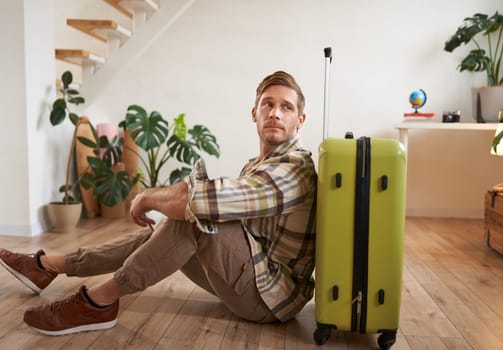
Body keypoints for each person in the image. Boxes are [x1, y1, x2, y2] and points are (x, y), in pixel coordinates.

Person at [0, 71, 317, 336]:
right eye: (268, 104)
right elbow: (205, 201)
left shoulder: (293, 171)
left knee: (194, 222)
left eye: (286, 107)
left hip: (270, 299)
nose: (276, 112)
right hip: (254, 277)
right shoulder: (260, 164)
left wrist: (146, 196)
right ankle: (48, 266)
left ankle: (98, 302)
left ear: (300, 120)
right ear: (255, 113)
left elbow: (201, 202)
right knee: (182, 222)